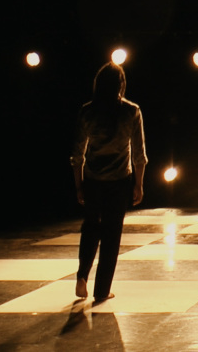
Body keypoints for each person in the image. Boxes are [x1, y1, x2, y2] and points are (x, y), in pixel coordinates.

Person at [70, 62, 146, 303]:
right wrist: (139, 184)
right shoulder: (131, 111)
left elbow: (77, 155)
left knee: (91, 227)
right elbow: (139, 155)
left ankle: (82, 275)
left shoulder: (87, 112)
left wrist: (79, 185)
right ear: (121, 85)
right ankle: (102, 289)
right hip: (119, 181)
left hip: (93, 179)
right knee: (112, 235)